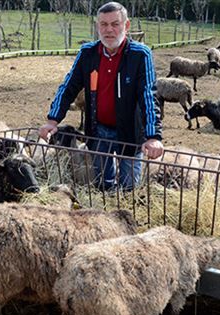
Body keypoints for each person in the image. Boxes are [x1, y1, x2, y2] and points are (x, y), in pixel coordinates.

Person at [39, 1, 163, 191]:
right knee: (101, 185)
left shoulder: (140, 55)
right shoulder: (88, 53)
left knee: (128, 187)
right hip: (99, 130)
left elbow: (148, 95)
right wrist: (52, 120)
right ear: (97, 27)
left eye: (115, 24)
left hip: (130, 132)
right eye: (104, 24)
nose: (109, 30)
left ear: (126, 26)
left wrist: (153, 136)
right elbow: (69, 87)